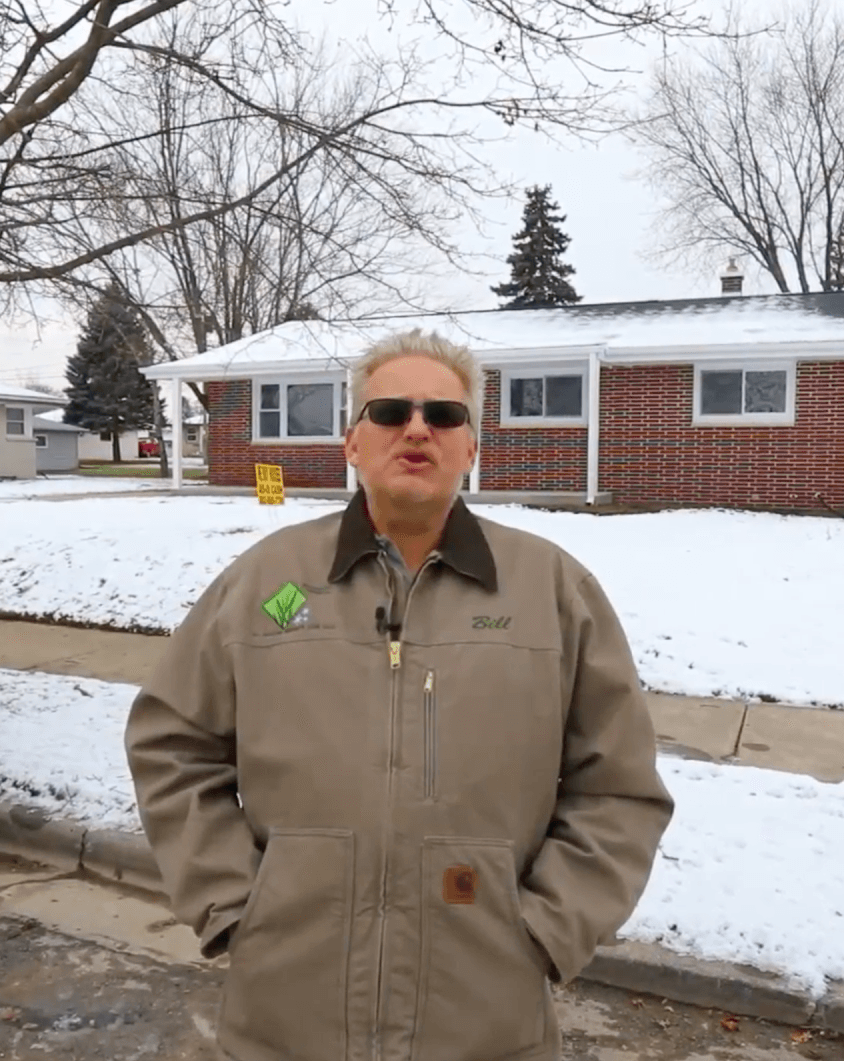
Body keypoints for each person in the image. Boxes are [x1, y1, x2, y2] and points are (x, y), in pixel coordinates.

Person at [125, 329, 674, 1061]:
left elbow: (619, 788)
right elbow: (172, 744)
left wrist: (544, 929)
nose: (417, 429)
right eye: (390, 411)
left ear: (471, 448)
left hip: (485, 1016)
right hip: (284, 1013)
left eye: (444, 416)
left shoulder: (551, 592)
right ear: (353, 441)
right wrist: (233, 905)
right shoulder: (267, 583)